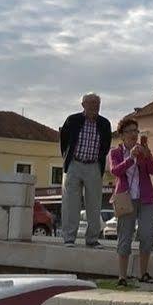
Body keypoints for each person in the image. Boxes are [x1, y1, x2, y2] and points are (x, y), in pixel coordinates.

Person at [105, 118, 153, 286]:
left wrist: (147, 155)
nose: (133, 135)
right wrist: (131, 158)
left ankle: (144, 273)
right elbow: (115, 170)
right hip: (125, 198)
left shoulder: (143, 150)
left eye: (136, 131)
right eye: (129, 131)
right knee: (125, 235)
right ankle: (122, 276)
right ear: (122, 135)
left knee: (146, 235)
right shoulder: (116, 152)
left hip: (146, 198)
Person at [57, 92, 111, 248]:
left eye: (97, 103)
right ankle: (69, 238)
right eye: (91, 103)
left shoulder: (104, 123)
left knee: (94, 204)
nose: (95, 106)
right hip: (74, 164)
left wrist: (99, 161)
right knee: (70, 203)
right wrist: (67, 158)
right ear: (83, 105)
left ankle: (92, 239)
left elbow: (105, 145)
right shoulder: (72, 120)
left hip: (93, 165)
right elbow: (64, 140)